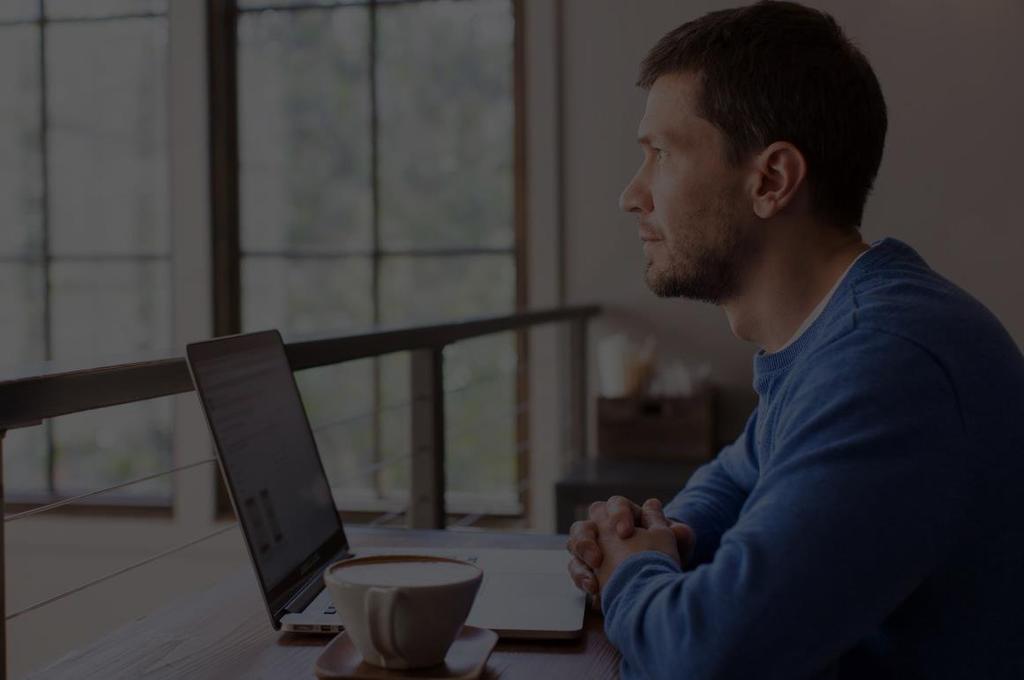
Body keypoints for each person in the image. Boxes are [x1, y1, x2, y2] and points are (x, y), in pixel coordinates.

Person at [564, 2, 1024, 678]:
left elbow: (707, 657)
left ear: (772, 180)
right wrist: (666, 534)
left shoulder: (890, 363)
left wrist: (632, 573)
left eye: (661, 153)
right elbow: (739, 473)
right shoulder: (845, 333)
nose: (633, 196)